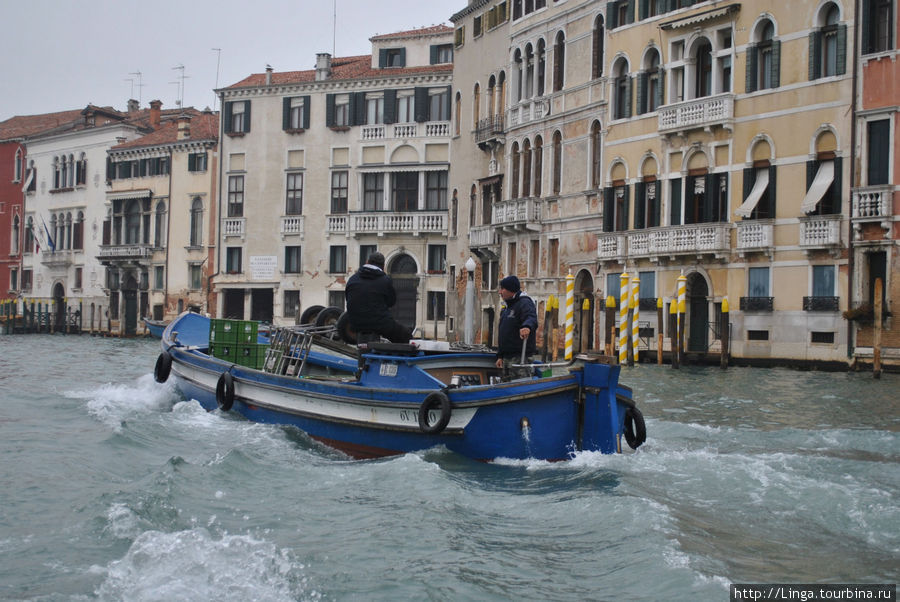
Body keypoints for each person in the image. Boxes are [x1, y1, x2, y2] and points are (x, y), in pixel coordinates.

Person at [345, 252, 413, 344]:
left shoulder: (352, 279)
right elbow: (391, 302)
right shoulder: (385, 280)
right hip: (378, 323)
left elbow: (348, 298)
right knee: (405, 336)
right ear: (383, 266)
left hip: (354, 323)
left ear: (367, 262)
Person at [495, 275, 538, 380]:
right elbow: (503, 333)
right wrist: (500, 356)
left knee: (520, 385)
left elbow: (531, 317)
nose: (500, 292)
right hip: (506, 359)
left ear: (511, 289)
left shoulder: (524, 303)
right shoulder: (506, 308)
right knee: (506, 386)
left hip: (520, 358)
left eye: (502, 289)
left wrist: (527, 326)